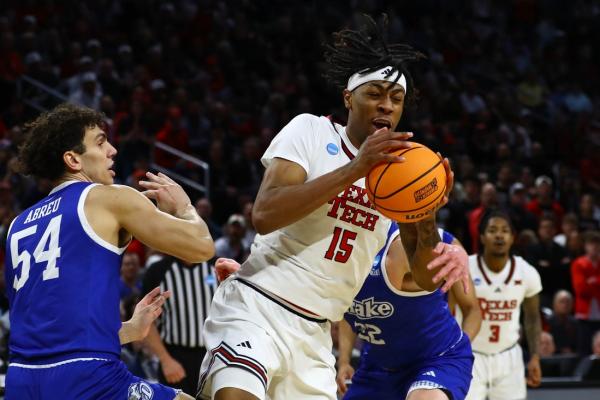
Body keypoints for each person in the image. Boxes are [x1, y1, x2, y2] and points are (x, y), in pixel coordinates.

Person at [197, 15, 469, 400]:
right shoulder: (309, 130)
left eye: (396, 98)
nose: (386, 106)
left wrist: (423, 210)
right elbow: (265, 213)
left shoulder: (400, 172)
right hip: (258, 306)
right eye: (374, 93)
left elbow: (425, 280)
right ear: (348, 97)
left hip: (316, 330)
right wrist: (355, 168)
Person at [4, 103, 214, 400]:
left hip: (22, 381)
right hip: (88, 378)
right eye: (101, 142)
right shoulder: (108, 199)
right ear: (73, 159)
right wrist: (184, 208)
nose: (113, 150)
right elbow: (201, 248)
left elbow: (54, 339)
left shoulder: (17, 224)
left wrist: (129, 330)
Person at [336, 225, 481, 400]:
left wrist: (457, 355)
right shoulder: (339, 249)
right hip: (378, 364)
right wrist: (344, 361)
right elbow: (351, 308)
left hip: (435, 358)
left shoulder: (437, 243)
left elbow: (472, 309)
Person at [465, 210, 543, 400]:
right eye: (492, 230)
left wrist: (535, 357)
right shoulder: (464, 267)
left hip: (509, 356)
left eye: (505, 230)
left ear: (512, 237)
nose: (499, 235)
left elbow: (532, 317)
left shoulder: (526, 272)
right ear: (482, 237)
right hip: (470, 356)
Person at [142, 255, 217, 395]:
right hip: (174, 356)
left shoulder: (217, 266)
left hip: (212, 356)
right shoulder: (158, 271)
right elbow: (146, 321)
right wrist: (165, 360)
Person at [570, 230, 600, 355]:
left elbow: (586, 286)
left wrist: (592, 282)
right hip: (584, 314)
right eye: (591, 244)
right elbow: (580, 289)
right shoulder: (578, 264)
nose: (594, 247)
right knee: (584, 349)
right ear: (585, 246)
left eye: (597, 244)